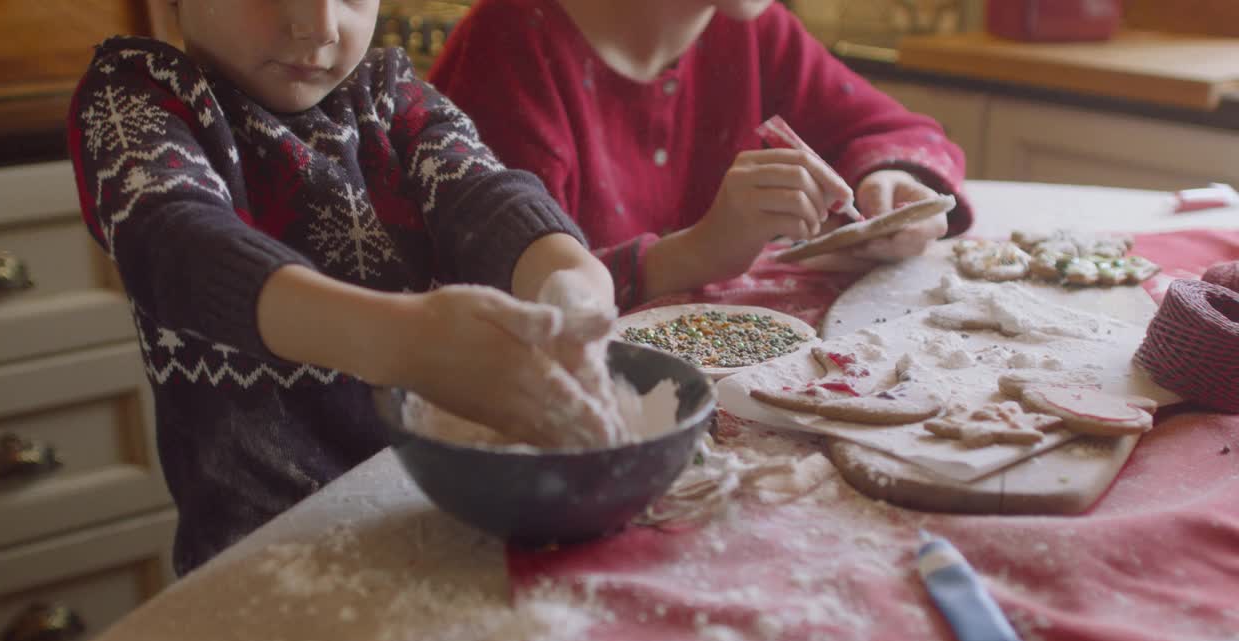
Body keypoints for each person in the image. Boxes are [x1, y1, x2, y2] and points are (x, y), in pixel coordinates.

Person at [68, 0, 619, 575]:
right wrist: (403, 344)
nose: (320, 26)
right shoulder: (135, 99)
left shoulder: (390, 98)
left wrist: (569, 282)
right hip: (262, 568)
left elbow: (485, 194)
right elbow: (178, 242)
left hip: (445, 536)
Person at [429, 0, 973, 310]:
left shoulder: (755, 26)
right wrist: (695, 254)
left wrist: (892, 179)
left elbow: (902, 132)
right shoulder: (512, 42)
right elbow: (499, 304)